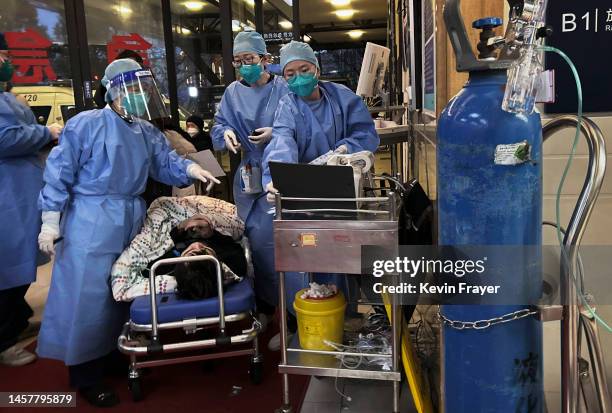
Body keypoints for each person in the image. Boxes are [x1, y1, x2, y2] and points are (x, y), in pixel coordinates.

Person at [35, 58, 219, 407]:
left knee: (125, 290)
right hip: (91, 217)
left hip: (130, 214)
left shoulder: (145, 131)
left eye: (144, 89)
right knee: (88, 296)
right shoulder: (86, 125)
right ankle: (85, 374)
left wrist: (192, 167)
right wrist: (49, 220)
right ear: (115, 89)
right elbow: (59, 173)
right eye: (134, 88)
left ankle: (116, 355)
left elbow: (165, 162)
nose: (140, 95)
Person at [261, 41, 380, 349]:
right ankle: (308, 327)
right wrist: (275, 180)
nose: (298, 77)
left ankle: (344, 322)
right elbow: (282, 141)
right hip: (306, 193)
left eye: (304, 70)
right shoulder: (288, 105)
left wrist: (346, 149)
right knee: (307, 261)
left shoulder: (343, 98)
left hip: (343, 189)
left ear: (317, 68)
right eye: (290, 73)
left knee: (342, 257)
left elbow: (366, 133)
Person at [211, 31, 289, 326]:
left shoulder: (283, 87)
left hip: (281, 171)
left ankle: (292, 316)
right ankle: (268, 308)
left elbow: (300, 120)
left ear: (265, 60)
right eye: (238, 61)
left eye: (249, 59)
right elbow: (220, 124)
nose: (244, 66)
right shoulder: (232, 92)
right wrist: (226, 134)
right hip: (249, 174)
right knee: (256, 246)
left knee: (286, 247)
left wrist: (278, 132)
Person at [0, 33, 63, 367]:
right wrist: (46, 133)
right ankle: (4, 339)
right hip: (7, 196)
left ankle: (18, 318)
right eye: (2, 55)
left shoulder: (7, 98)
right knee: (9, 268)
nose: (6, 61)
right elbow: (5, 139)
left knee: (21, 263)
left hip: (20, 191)